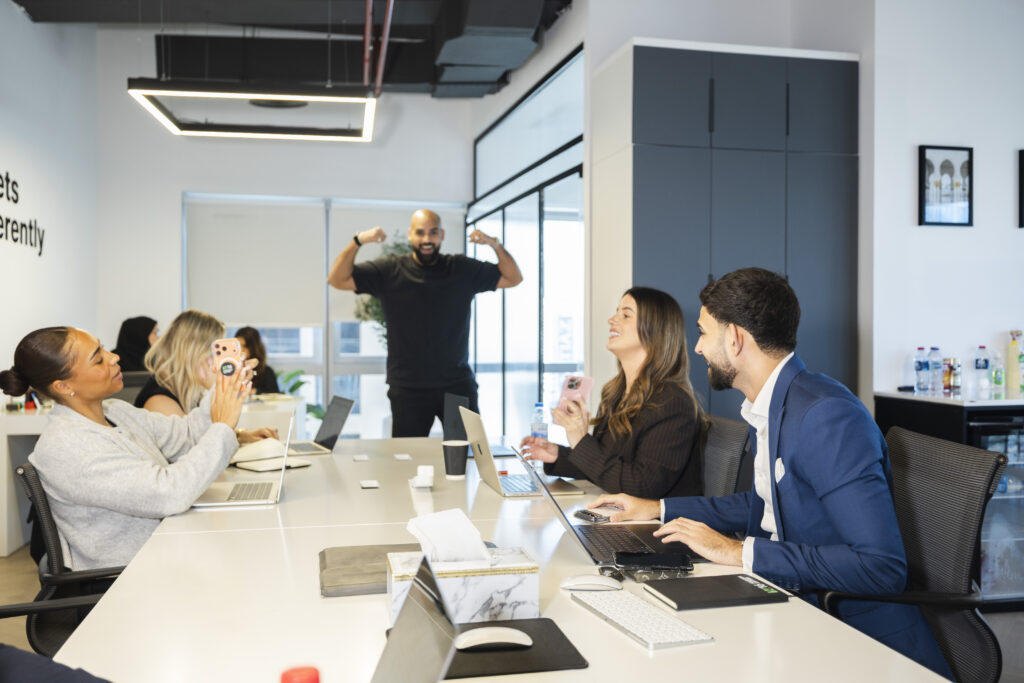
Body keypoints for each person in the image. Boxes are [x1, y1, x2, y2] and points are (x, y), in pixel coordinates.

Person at [587, 268, 953, 679]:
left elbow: (880, 567)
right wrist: (658, 507)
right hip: (792, 606)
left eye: (705, 333)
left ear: (736, 339)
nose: (698, 347)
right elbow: (763, 503)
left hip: (856, 642)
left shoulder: (824, 415)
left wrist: (736, 552)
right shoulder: (774, 403)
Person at [0, 326, 248, 570]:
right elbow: (167, 493)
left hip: (167, 552)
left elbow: (186, 436)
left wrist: (225, 388)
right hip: (130, 578)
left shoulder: (115, 411)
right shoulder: (68, 447)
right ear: (63, 386)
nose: (114, 357)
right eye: (98, 359)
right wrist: (223, 425)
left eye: (104, 349)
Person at [327, 209, 523, 437]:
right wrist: (358, 241)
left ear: (442, 234)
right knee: (407, 461)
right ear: (411, 235)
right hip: (408, 389)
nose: (427, 239)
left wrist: (494, 244)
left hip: (456, 385)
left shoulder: (461, 269)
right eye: (420, 233)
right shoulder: (389, 270)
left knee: (468, 457)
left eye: (433, 232)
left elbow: (513, 278)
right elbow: (337, 279)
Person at [519, 287, 705, 498]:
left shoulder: (672, 402)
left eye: (625, 315)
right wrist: (557, 455)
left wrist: (580, 440)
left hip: (655, 526)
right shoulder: (616, 393)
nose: (611, 320)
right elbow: (607, 468)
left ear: (655, 331)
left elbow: (641, 485)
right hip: (619, 513)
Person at [135, 310, 274, 443]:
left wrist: (243, 435)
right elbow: (197, 454)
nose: (217, 361)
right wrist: (218, 388)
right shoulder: (159, 402)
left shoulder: (187, 391)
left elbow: (204, 432)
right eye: (215, 353)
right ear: (196, 352)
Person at [235, 326, 279, 394]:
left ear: (253, 347)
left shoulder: (267, 372)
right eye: (237, 346)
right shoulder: (233, 370)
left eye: (244, 346)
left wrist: (254, 391)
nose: (240, 350)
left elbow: (275, 394)